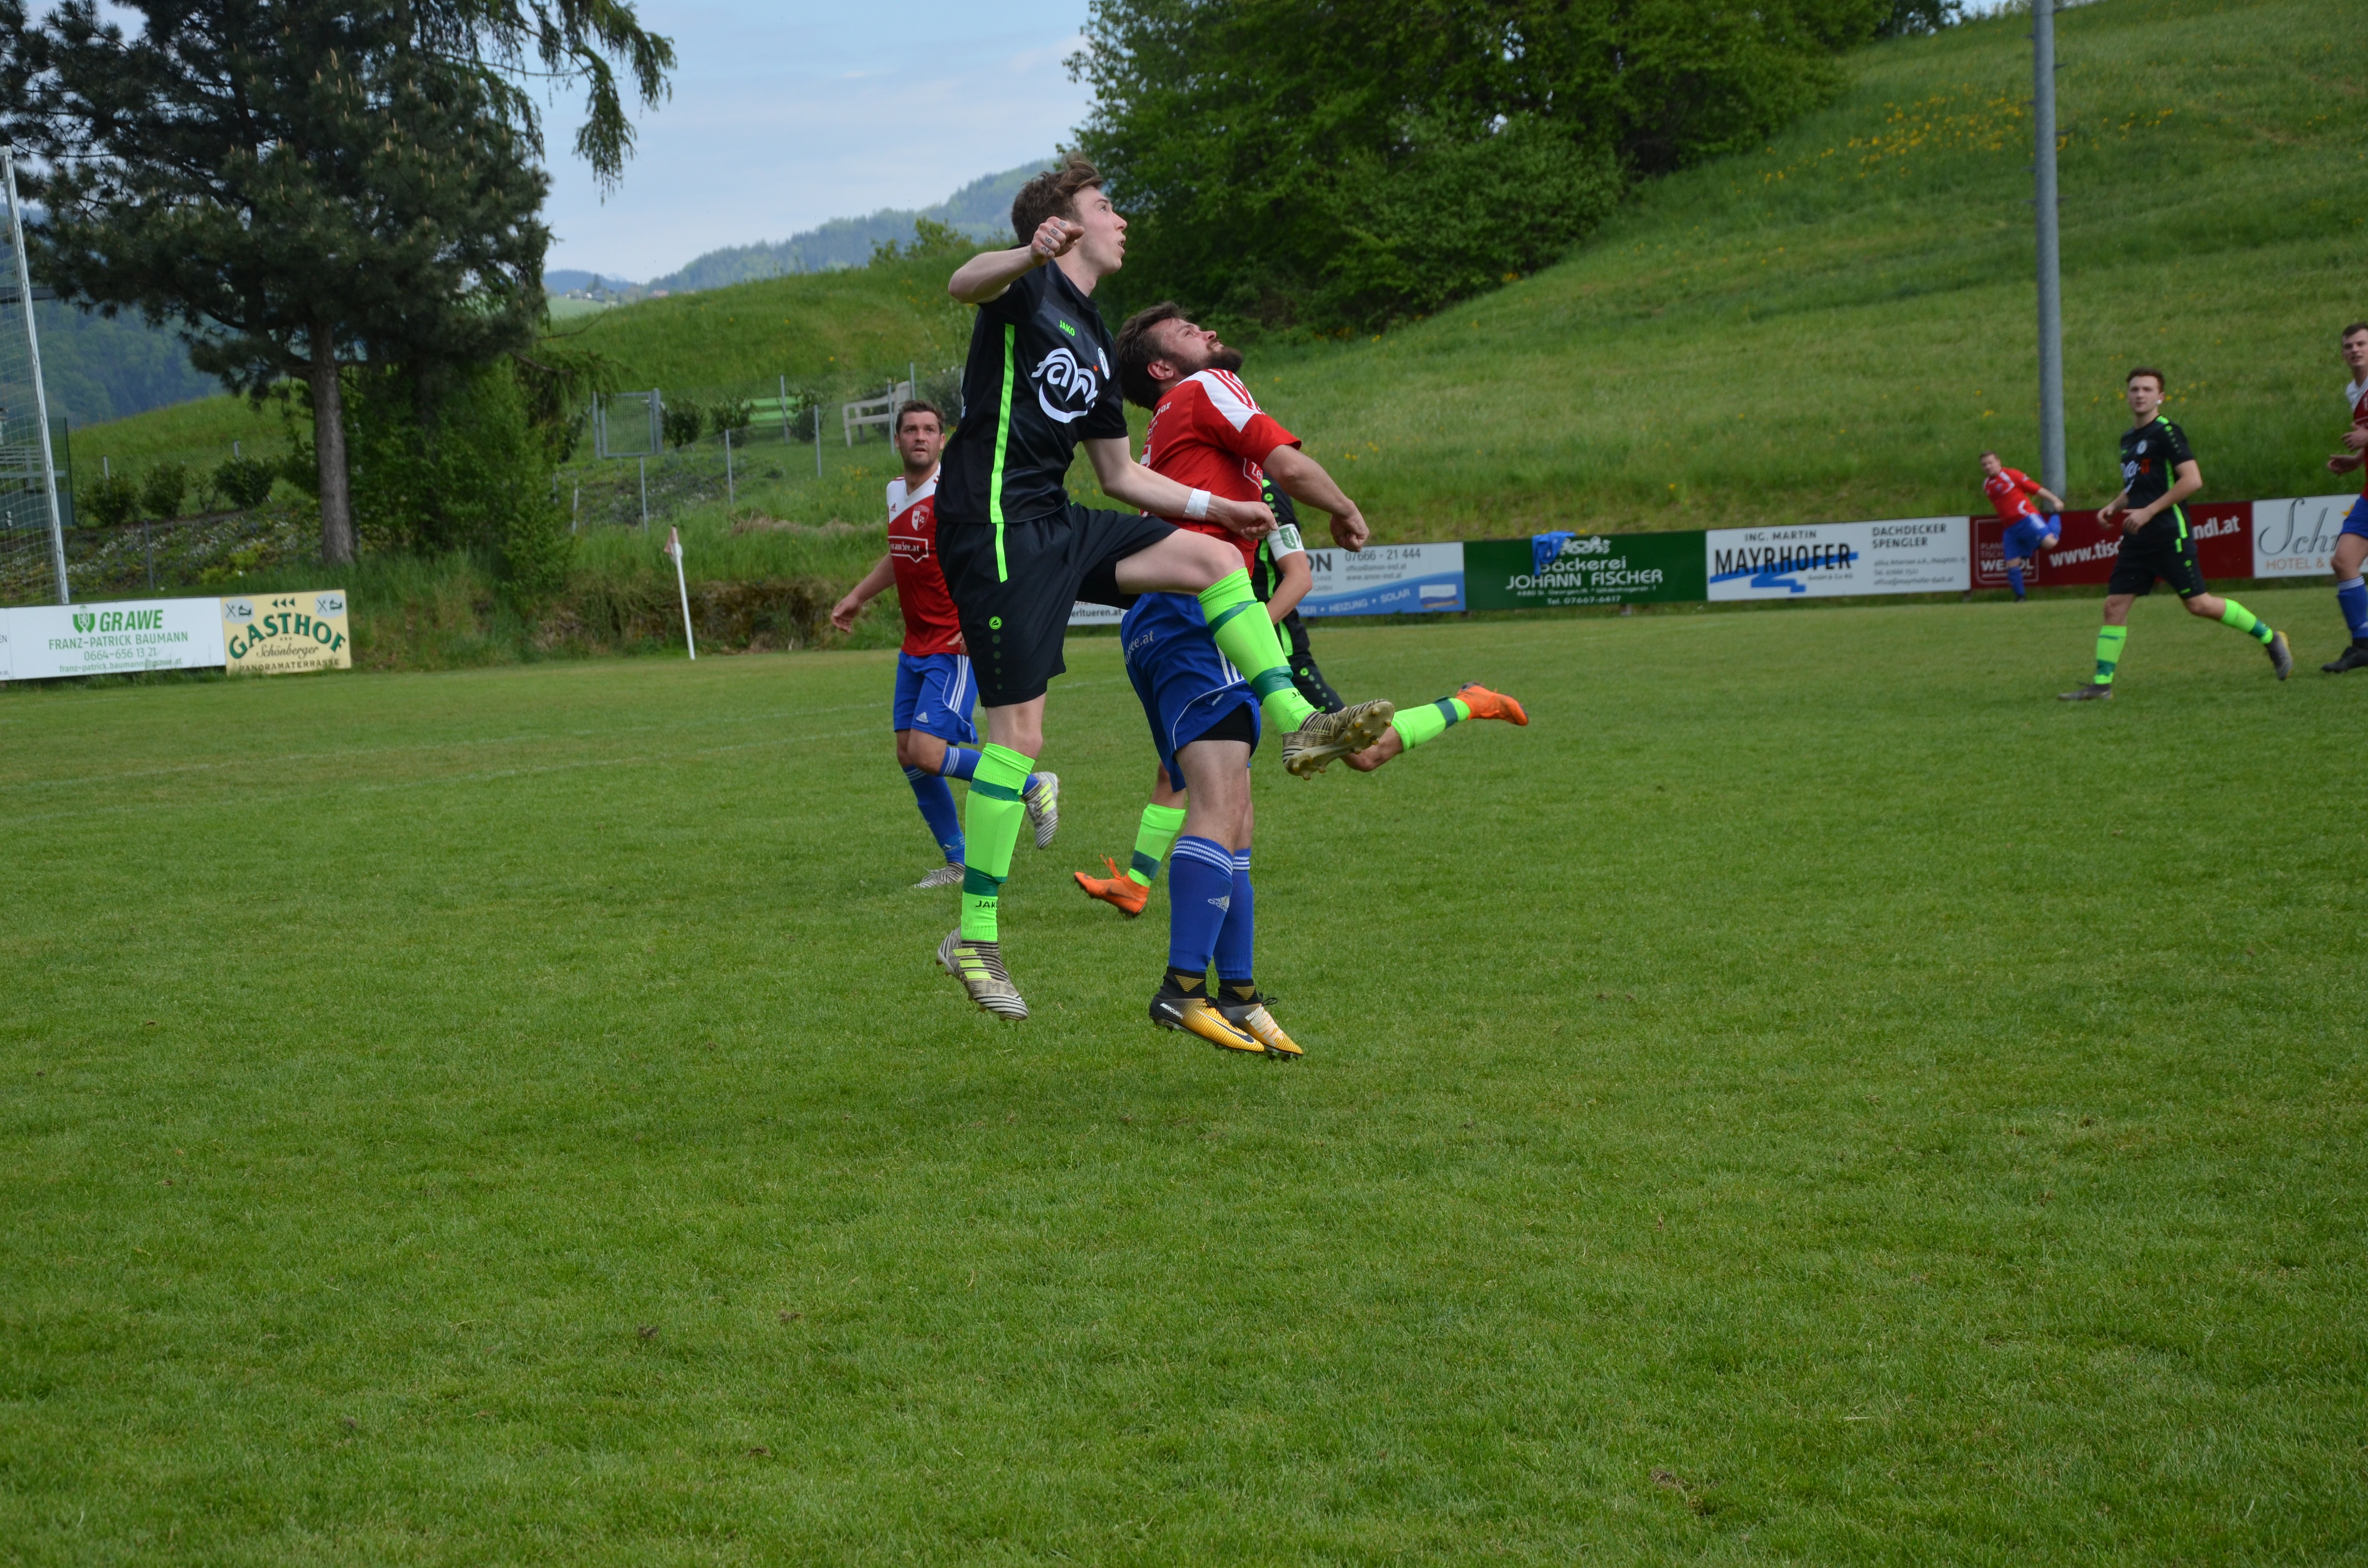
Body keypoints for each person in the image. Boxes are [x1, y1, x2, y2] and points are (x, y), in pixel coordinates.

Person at [929, 156, 1394, 1020]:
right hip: (991, 525)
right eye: (1106, 205)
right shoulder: (1026, 287)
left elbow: (1120, 476)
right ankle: (975, 934)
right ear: (1064, 223)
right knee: (1019, 737)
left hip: (1057, 519)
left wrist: (1221, 508)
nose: (1122, 219)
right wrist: (1028, 253)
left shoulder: (1093, 335)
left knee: (1214, 561)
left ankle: (1299, 721)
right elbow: (963, 283)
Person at [1072, 305, 1527, 918]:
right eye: (1188, 332)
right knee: (1201, 781)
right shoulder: (1196, 408)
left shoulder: (1212, 454)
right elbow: (1278, 467)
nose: (1209, 333)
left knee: (1333, 762)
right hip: (1203, 621)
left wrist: (1253, 620)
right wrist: (1341, 511)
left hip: (1235, 634)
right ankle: (1162, 912)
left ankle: (1466, 702)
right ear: (1161, 367)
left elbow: (1298, 569)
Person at [829, 401, 1060, 888]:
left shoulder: (953, 495)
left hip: (953, 645)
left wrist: (977, 622)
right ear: (897, 439)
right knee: (907, 753)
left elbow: (990, 558)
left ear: (941, 440)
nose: (920, 436)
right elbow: (900, 555)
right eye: (911, 429)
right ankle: (957, 862)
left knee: (928, 753)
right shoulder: (896, 491)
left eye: (929, 430)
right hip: (915, 646)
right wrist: (857, 596)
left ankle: (1031, 784)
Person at [2060, 368, 2291, 701]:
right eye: (2135, 389)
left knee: (2199, 604)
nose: (2140, 394)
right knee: (2114, 605)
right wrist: (2114, 505)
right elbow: (2138, 485)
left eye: (2147, 389)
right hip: (2138, 537)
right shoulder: (2128, 439)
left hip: (2169, 534)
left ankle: (2270, 638)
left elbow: (2192, 480)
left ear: (2161, 397)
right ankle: (2101, 685)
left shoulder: (2167, 432)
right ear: (2127, 395)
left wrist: (2150, 511)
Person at [2319, 321, 2368, 674]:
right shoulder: (2355, 390)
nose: (2355, 350)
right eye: (2349, 346)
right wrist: (2357, 460)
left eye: (2362, 344)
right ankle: (2363, 645)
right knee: (2343, 561)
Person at [1980, 451, 2064, 601]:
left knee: (2051, 543)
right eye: (1984, 465)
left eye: (1990, 463)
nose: (1988, 467)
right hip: (2010, 528)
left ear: (1998, 462)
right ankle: (2020, 597)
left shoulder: (2011, 475)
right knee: (2012, 563)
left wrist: (2055, 500)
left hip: (2027, 518)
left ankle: (2055, 515)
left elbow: (2035, 488)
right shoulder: (1986, 485)